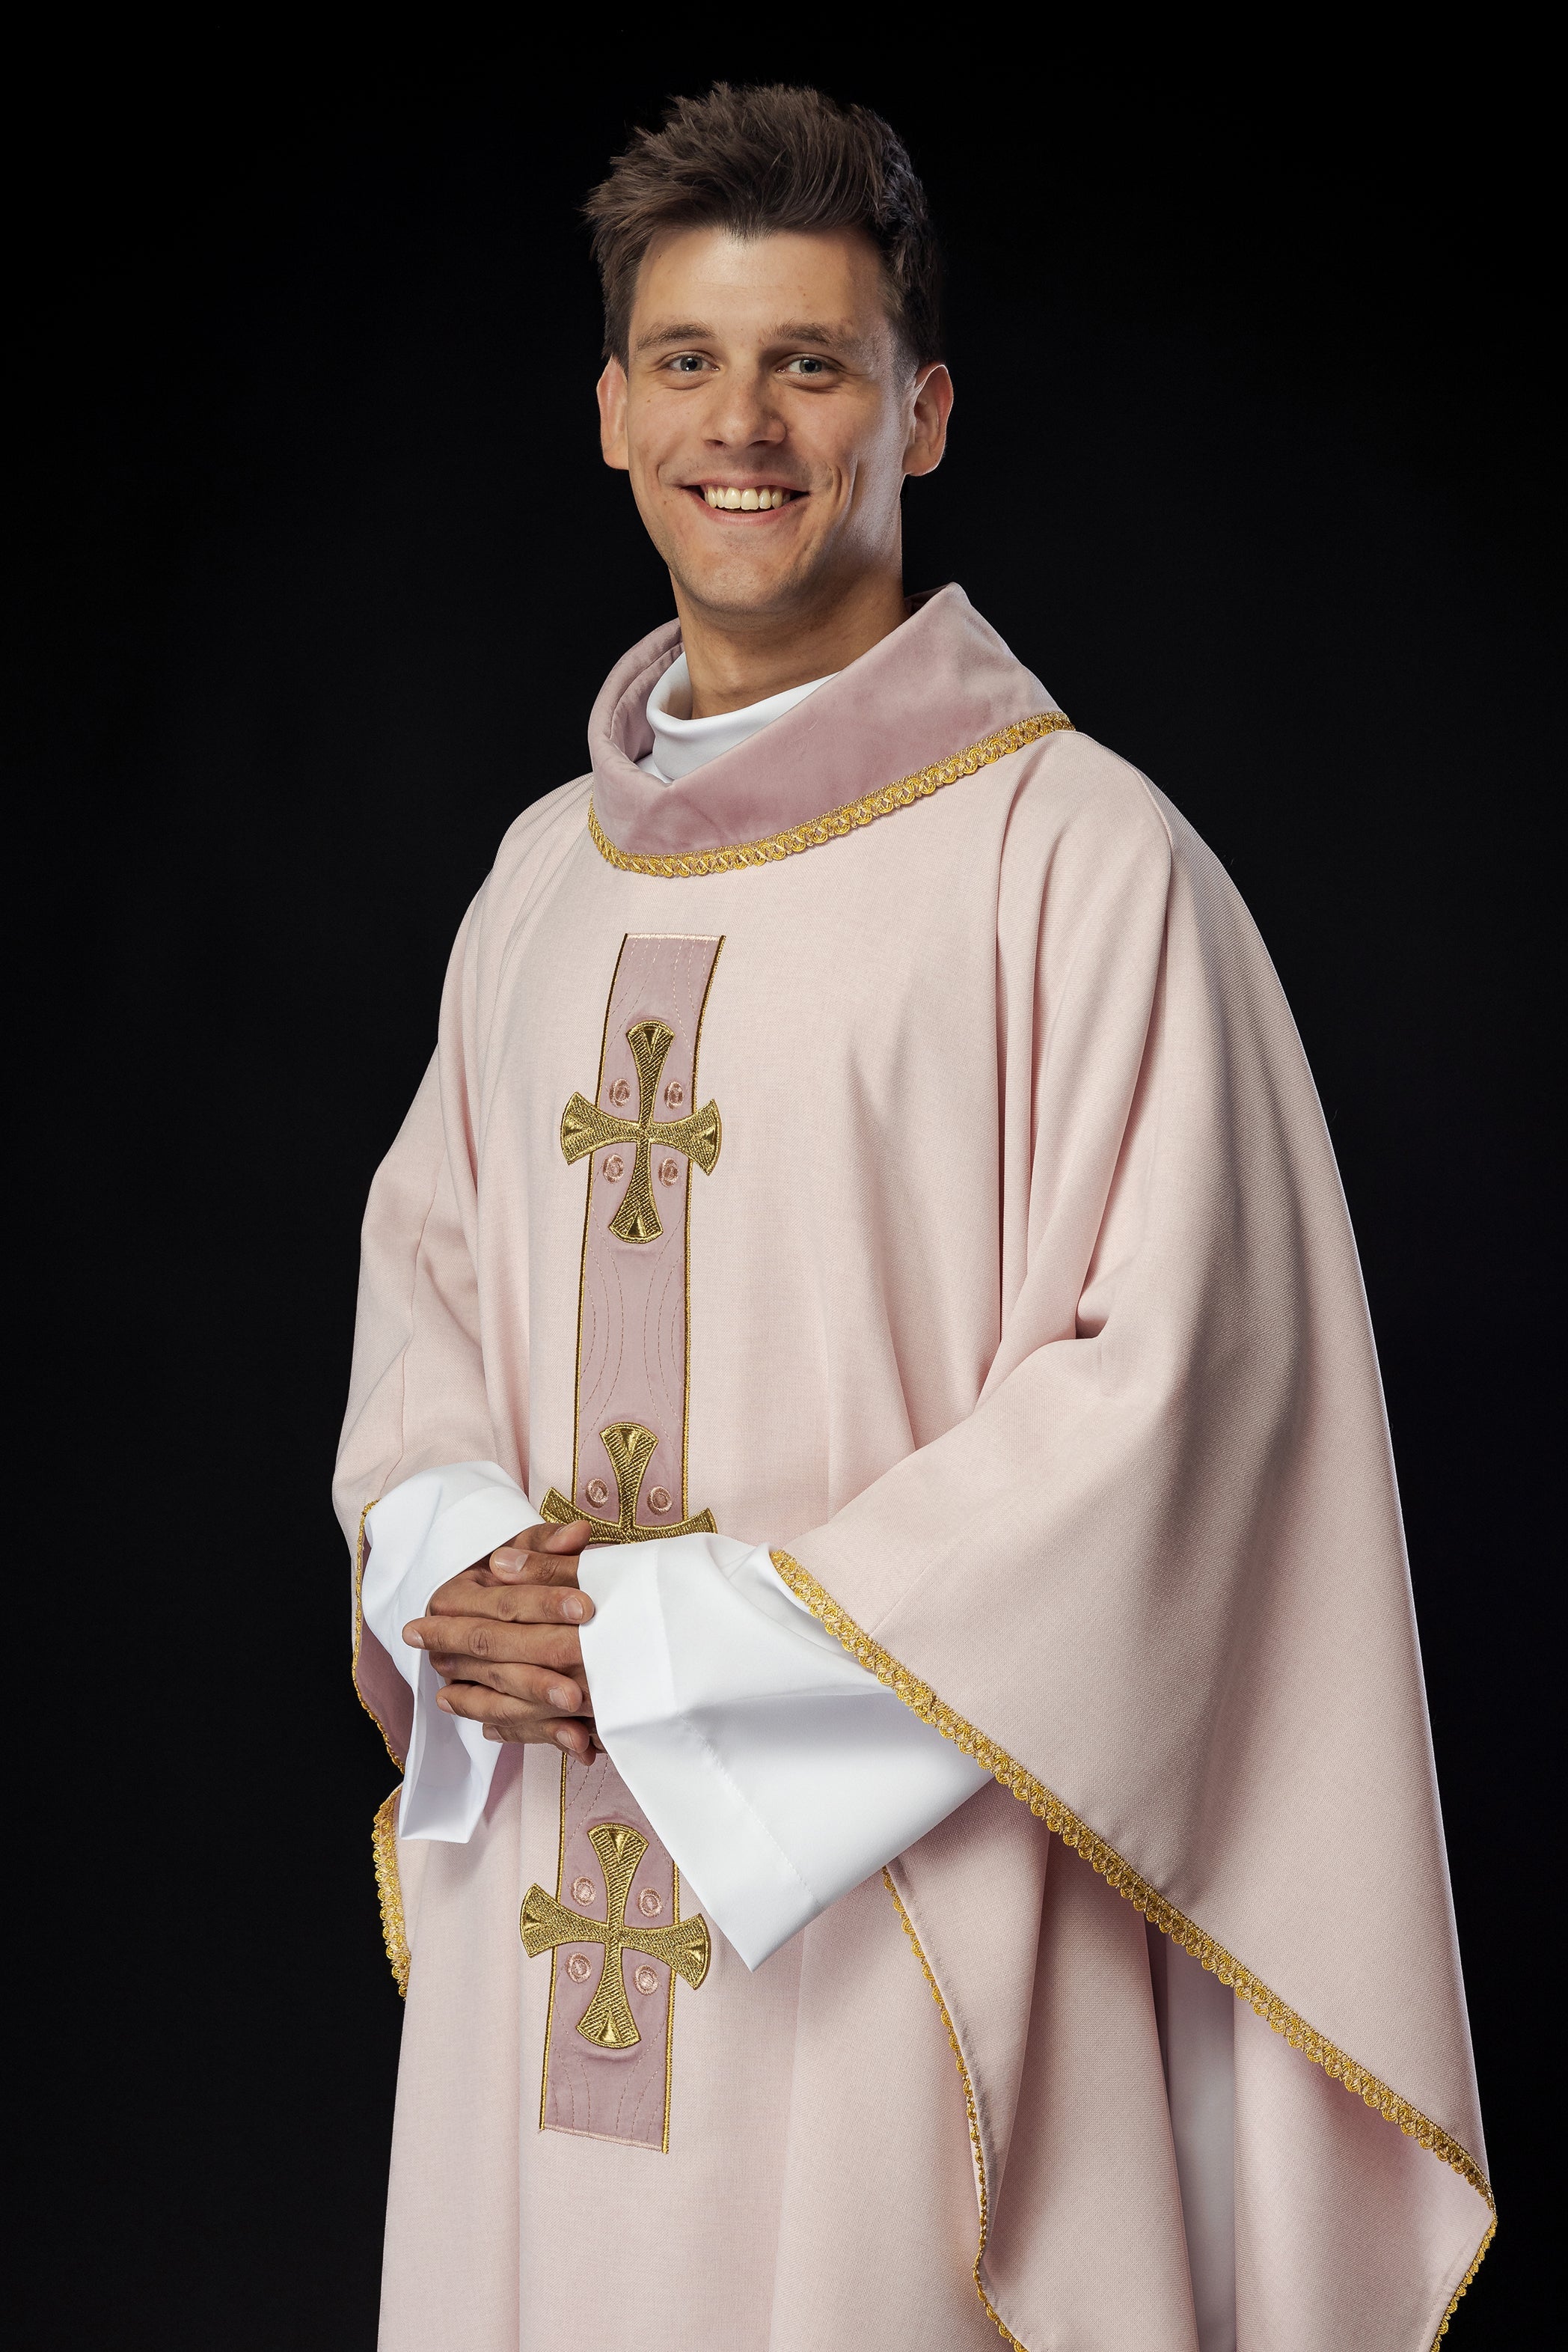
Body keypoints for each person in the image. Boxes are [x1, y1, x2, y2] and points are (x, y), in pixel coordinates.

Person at [335, 82, 1490, 2352]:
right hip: (553, 1884)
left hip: (892, 1925)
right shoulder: (538, 885)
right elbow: (431, 1285)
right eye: (685, 359)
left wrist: (676, 1647)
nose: (741, 425)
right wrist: (443, 1549)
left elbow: (1168, 1408)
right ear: (607, 409)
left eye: (812, 363)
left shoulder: (1081, 869)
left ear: (921, 412)